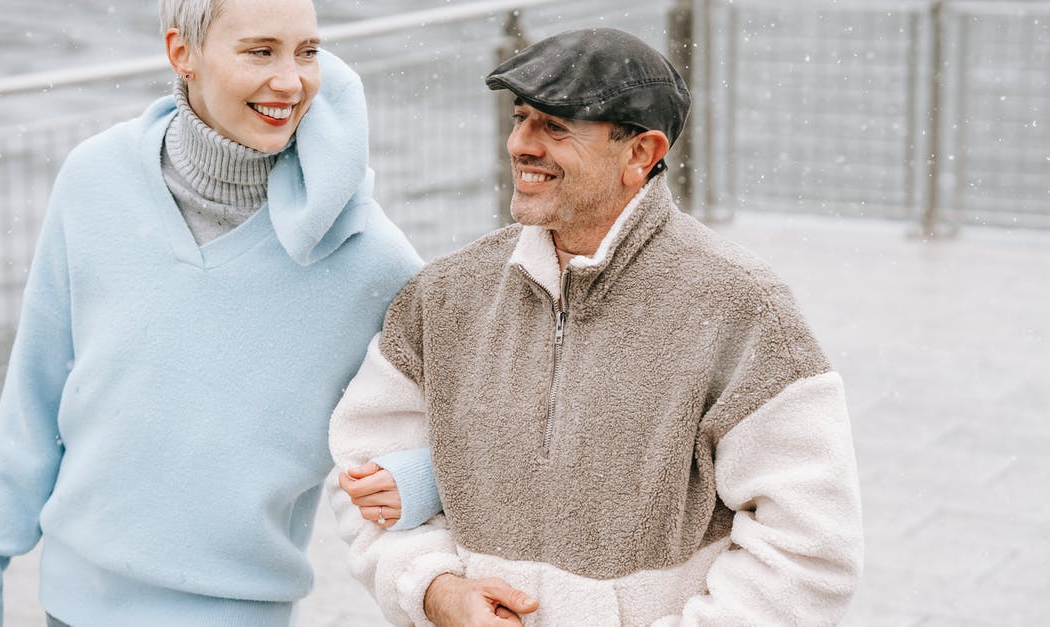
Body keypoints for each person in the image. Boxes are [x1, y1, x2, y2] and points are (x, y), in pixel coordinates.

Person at [328, 27, 863, 626]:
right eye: (522, 117)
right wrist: (436, 592)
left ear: (641, 153)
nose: (521, 144)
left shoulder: (742, 308)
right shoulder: (446, 294)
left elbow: (810, 551)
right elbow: (362, 475)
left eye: (555, 127)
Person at [0, 0, 440, 625]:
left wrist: (422, 481)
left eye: (307, 51)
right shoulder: (94, 178)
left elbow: (473, 416)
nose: (291, 80)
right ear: (183, 54)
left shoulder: (368, 256)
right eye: (260, 51)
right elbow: (35, 394)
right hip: (70, 606)